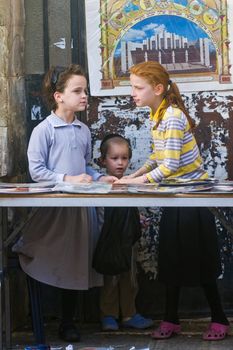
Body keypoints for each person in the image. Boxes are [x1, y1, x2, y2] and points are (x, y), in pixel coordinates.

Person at [116, 61, 229, 340]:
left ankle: (219, 319)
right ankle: (170, 318)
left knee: (200, 260)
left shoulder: (173, 116)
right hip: (176, 195)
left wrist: (134, 182)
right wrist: (132, 176)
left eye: (138, 87)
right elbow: (157, 157)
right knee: (170, 259)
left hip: (193, 196)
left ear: (157, 88)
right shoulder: (157, 114)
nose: (133, 92)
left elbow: (170, 165)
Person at [14, 64, 116, 342]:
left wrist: (99, 176)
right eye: (77, 91)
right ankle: (40, 320)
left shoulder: (83, 130)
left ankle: (68, 322)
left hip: (79, 211)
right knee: (47, 259)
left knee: (75, 264)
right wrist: (68, 179)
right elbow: (37, 172)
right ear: (58, 96)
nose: (84, 96)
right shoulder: (44, 130)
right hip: (54, 211)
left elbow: (84, 166)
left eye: (85, 90)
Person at [97, 134, 154, 331]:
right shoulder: (100, 185)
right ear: (103, 160)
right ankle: (109, 315)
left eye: (124, 158)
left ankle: (129, 314)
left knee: (130, 278)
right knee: (110, 278)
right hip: (108, 241)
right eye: (114, 158)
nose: (120, 163)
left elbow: (133, 210)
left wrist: (140, 220)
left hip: (128, 240)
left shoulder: (132, 182)